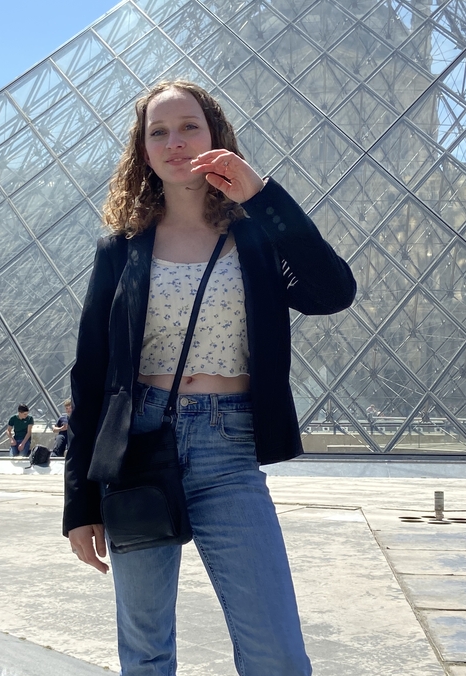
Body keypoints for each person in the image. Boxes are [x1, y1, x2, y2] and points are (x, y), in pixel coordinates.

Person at [63, 81, 356, 676]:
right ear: (142, 151)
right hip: (139, 447)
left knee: (276, 653)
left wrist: (265, 195)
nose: (175, 142)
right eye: (158, 132)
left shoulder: (255, 237)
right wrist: (79, 502)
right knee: (144, 653)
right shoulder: (119, 247)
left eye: (189, 127)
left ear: (215, 135)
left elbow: (332, 292)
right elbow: (91, 372)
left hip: (230, 447)